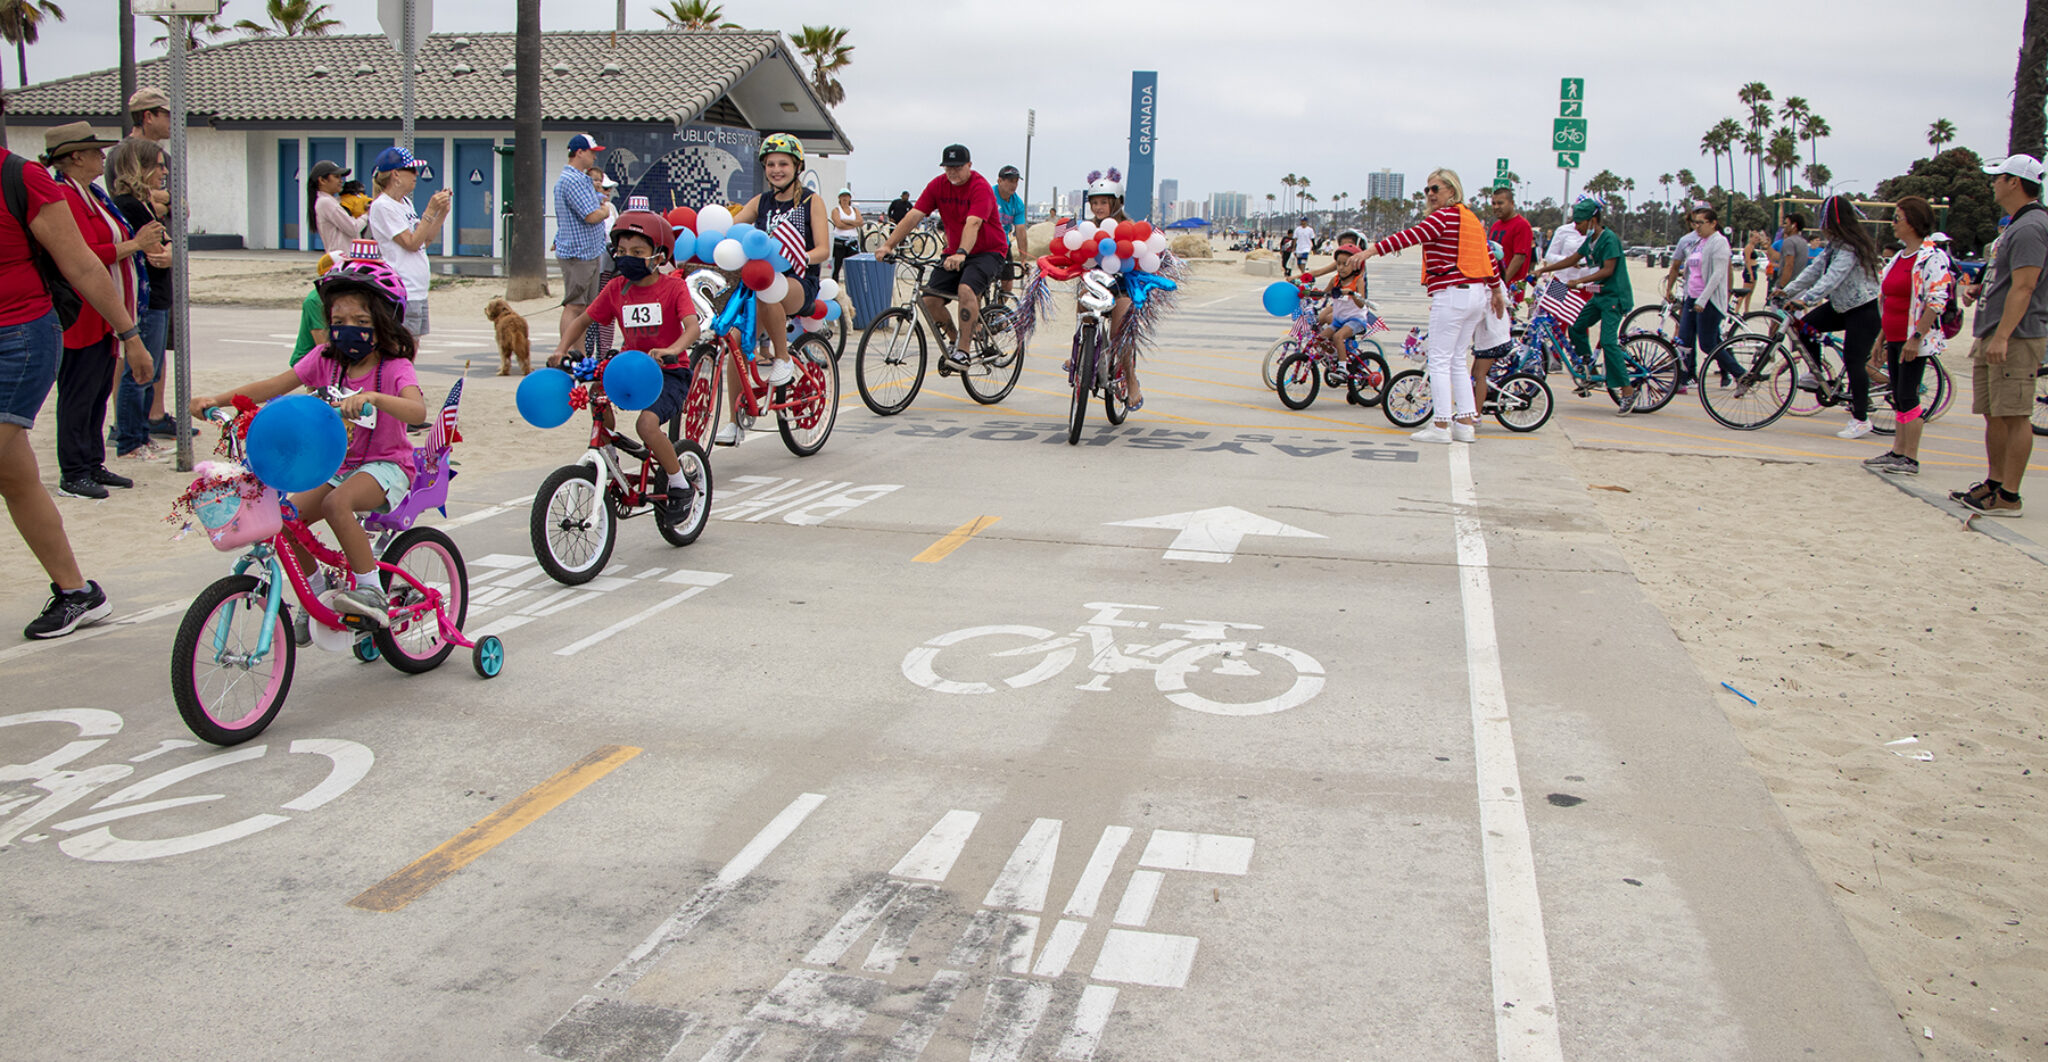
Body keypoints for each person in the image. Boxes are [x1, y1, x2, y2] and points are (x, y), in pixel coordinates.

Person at [189, 256, 427, 627]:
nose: (349, 330)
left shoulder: (394, 367)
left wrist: (376, 399)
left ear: (382, 323)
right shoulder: (325, 360)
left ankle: (371, 591)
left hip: (387, 467)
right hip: (337, 465)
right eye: (339, 322)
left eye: (362, 323)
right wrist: (217, 401)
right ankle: (316, 594)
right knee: (284, 519)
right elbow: (272, 387)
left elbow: (416, 411)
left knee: (337, 504)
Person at [1, 111, 162, 637]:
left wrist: (129, 334)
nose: (99, 157)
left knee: (9, 462)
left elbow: (83, 264)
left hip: (18, 337)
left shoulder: (22, 178)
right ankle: (77, 591)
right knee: (16, 475)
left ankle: (76, 590)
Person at [549, 209, 698, 524]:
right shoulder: (617, 287)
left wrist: (673, 350)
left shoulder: (673, 288)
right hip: (628, 369)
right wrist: (561, 348)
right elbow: (582, 320)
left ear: (658, 256)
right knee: (596, 395)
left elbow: (692, 328)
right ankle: (610, 458)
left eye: (637, 252)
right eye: (621, 251)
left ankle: (679, 482)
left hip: (668, 373)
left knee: (647, 426)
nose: (626, 257)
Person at [45, 123, 164, 500]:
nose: (102, 157)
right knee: (79, 390)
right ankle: (74, 471)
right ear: (75, 157)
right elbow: (78, 256)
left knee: (97, 389)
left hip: (105, 309)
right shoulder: (64, 197)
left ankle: (92, 462)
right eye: (94, 151)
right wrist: (135, 245)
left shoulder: (91, 193)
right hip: (83, 310)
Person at [1356, 168, 1504, 442]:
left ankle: (1440, 426)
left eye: (1436, 188)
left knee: (1438, 360)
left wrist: (1370, 251)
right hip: (1476, 294)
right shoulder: (1470, 219)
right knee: (1458, 360)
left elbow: (1410, 236)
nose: (1431, 194)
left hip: (1452, 293)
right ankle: (1465, 424)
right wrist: (1495, 290)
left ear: (1452, 190)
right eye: (1428, 190)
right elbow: (1489, 257)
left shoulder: (1444, 217)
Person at [1948, 155, 2046, 517]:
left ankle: (2010, 495)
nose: (1993, 183)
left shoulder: (2032, 226)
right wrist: (1979, 293)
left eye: (1997, 177)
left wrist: (2004, 335)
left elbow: (2025, 286)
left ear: (2015, 182)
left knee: (2015, 414)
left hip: (2017, 335)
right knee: (1994, 412)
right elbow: (2007, 281)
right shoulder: (2014, 226)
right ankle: (1994, 482)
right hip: (1994, 331)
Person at [725, 133, 832, 442]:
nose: (776, 170)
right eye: (770, 164)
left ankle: (782, 358)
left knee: (769, 286)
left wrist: (796, 257)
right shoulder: (761, 202)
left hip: (800, 280)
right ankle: (735, 421)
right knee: (734, 339)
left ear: (797, 166)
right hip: (760, 282)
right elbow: (732, 230)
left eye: (783, 163)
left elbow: (823, 249)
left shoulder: (812, 201)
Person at [876, 143, 1008, 374]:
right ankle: (956, 339)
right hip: (955, 252)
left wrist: (962, 253)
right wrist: (888, 245)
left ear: (969, 165)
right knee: (929, 301)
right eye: (948, 167)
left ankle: (964, 352)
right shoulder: (938, 185)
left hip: (988, 251)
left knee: (966, 289)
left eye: (958, 167)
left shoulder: (981, 187)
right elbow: (913, 216)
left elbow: (973, 223)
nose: (952, 172)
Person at [1778, 194, 1882, 439]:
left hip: (1863, 310)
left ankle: (1861, 419)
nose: (1822, 226)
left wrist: (1807, 299)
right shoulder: (1834, 245)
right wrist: (1788, 290)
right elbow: (1814, 270)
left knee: (1854, 361)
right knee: (1805, 327)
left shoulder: (1851, 247)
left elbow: (1833, 277)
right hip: (1841, 307)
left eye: (1825, 220)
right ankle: (1818, 376)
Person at [1863, 196, 1952, 476]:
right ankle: (1897, 451)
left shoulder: (1931, 258)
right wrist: (1880, 339)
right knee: (1898, 395)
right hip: (1893, 336)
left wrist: (1916, 337)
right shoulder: (1899, 258)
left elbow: (1937, 300)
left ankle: (1910, 457)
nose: (1893, 223)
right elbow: (1888, 300)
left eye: (1898, 218)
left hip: (1913, 340)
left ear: (1913, 222)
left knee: (1908, 395)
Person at [1532, 197, 1640, 413]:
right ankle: (1587, 363)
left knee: (1608, 341)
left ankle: (1627, 391)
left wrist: (1580, 280)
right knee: (1575, 325)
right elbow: (1566, 257)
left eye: (1580, 222)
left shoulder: (1607, 239)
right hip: (1562, 282)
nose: (1576, 226)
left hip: (1601, 291)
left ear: (1592, 220)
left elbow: (1608, 269)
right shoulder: (1569, 232)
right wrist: (1543, 270)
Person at [107, 136, 173, 463]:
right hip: (145, 300)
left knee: (154, 370)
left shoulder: (144, 202)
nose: (164, 172)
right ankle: (130, 440)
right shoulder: (128, 205)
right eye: (158, 165)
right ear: (140, 167)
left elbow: (166, 242)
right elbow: (150, 248)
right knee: (140, 373)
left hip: (159, 296)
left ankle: (142, 434)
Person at [365, 146, 449, 337]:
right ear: (395, 174)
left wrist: (441, 213)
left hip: (418, 289)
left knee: (413, 347)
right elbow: (410, 244)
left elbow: (423, 241)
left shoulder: (405, 203)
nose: (416, 175)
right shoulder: (383, 206)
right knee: (402, 349)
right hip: (402, 289)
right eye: (411, 170)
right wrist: (429, 210)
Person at [552, 133, 610, 353]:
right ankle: (566, 352)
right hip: (579, 253)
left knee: (584, 308)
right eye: (592, 153)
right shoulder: (572, 180)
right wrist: (605, 210)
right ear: (579, 152)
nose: (594, 158)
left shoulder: (579, 178)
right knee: (574, 305)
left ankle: (580, 354)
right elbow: (591, 216)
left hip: (586, 252)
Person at [308, 159, 363, 256]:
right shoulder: (326, 202)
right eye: (336, 177)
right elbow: (353, 229)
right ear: (322, 180)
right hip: (342, 262)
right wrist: (366, 215)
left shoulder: (332, 201)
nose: (341, 181)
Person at [994, 165, 1028, 292]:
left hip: (1003, 245)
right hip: (985, 244)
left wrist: (1023, 259)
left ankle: (997, 311)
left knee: (1008, 284)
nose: (1013, 185)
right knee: (980, 284)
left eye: (1016, 181)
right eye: (1010, 181)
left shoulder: (1017, 203)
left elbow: (1020, 232)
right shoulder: (989, 195)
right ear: (1000, 181)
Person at [829, 188, 862, 281]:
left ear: (850, 198)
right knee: (837, 266)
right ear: (839, 198)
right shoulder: (836, 210)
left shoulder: (854, 210)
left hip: (852, 241)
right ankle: (835, 285)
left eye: (846, 196)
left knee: (853, 266)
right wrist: (853, 224)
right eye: (843, 196)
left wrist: (846, 221)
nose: (845, 198)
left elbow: (860, 222)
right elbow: (838, 224)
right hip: (840, 241)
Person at [1778, 213, 1811, 292]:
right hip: (1799, 287)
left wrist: (1782, 287)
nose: (1784, 226)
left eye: (1786, 223)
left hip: (1788, 287)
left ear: (1793, 225)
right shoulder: (1803, 242)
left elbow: (1789, 265)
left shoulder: (1789, 241)